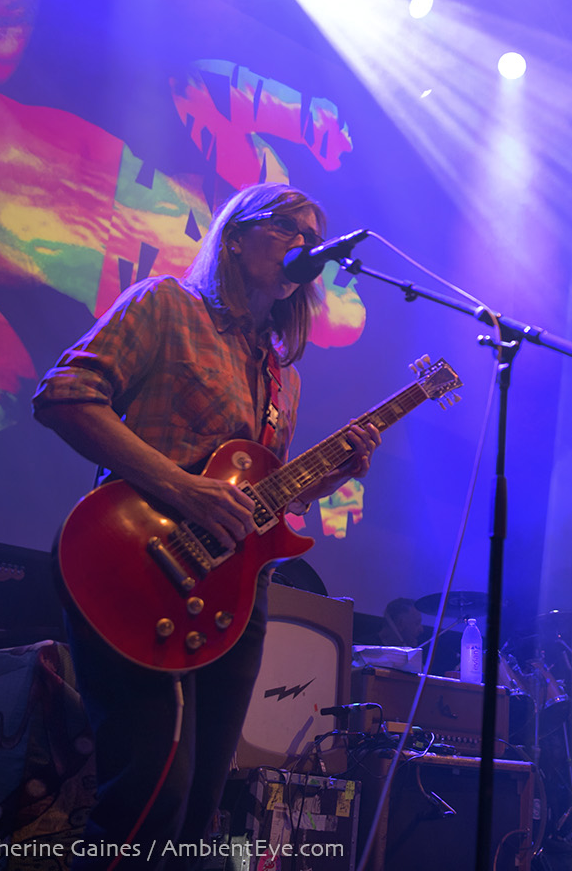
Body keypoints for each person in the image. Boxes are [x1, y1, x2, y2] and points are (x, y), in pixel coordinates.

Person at [33, 183, 380, 868]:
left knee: (200, 810)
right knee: (149, 793)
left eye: (314, 235)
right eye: (288, 227)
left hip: (228, 593)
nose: (306, 244)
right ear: (236, 235)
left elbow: (256, 503)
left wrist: (331, 476)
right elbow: (65, 396)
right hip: (134, 562)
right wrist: (179, 486)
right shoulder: (165, 304)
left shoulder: (283, 375)